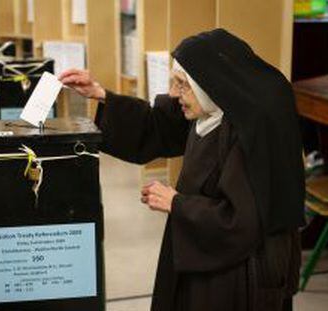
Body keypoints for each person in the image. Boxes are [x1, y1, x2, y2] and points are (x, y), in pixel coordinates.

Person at [59, 29, 305, 311]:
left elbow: (242, 223)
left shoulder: (251, 136)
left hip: (234, 276)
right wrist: (100, 94)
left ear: (210, 85)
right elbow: (158, 125)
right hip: (207, 251)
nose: (174, 93)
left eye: (182, 84)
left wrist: (176, 203)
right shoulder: (212, 108)